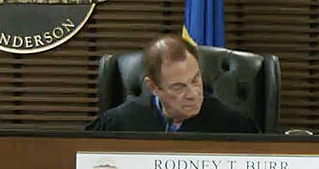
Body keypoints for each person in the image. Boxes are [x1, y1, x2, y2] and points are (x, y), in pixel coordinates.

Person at [85, 34, 259, 133]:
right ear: (153, 87)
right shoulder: (118, 123)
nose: (193, 94)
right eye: (178, 87)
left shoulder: (234, 126)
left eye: (195, 80)